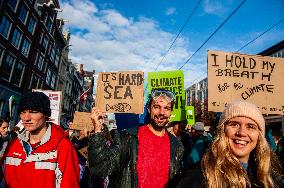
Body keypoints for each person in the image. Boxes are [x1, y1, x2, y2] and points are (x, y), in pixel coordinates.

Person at [88, 89, 184, 188]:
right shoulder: (128, 137)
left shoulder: (177, 145)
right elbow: (101, 167)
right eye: (157, 107)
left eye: (167, 108)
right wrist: (97, 130)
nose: (162, 112)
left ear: (171, 112)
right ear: (149, 109)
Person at [177, 100, 283, 188]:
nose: (241, 133)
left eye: (250, 126)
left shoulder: (271, 179)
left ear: (259, 135)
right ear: (222, 131)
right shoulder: (199, 177)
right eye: (234, 124)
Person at [0, 92, 80, 188]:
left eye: (33, 112)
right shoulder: (13, 144)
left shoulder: (63, 147)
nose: (26, 118)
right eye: (23, 112)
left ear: (45, 114)